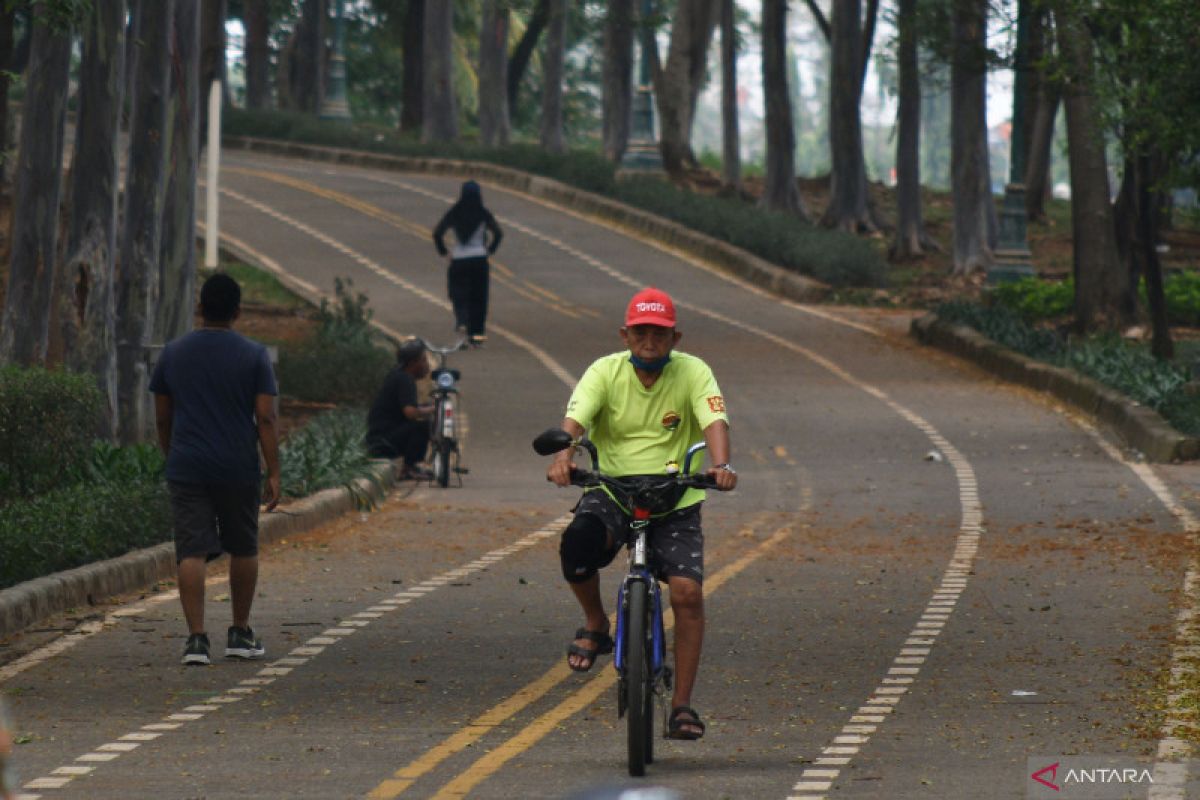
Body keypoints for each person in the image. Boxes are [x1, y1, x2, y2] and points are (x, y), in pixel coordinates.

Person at [546, 287, 737, 741]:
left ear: (675, 337)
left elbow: (714, 420)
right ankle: (596, 624)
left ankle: (682, 706)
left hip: (676, 496)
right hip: (613, 491)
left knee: (687, 593)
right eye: (641, 330)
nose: (649, 338)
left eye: (659, 331)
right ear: (625, 334)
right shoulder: (603, 372)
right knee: (577, 545)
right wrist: (562, 456)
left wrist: (721, 465)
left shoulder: (694, 372)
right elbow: (573, 422)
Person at [150, 272, 281, 666]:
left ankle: (196, 640)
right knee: (243, 545)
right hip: (238, 465)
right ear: (238, 312)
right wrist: (273, 470)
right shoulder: (255, 355)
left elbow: (162, 415)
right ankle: (240, 632)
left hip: (188, 464)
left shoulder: (173, 353)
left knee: (191, 550)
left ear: (200, 308)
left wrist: (173, 452)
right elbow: (266, 417)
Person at [432, 180, 503, 346]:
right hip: (479, 259)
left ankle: (462, 321)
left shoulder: (454, 212)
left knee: (458, 293)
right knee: (479, 297)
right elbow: (498, 234)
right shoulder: (483, 213)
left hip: (459, 260)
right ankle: (477, 336)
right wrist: (489, 250)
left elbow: (437, 233)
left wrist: (444, 251)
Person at [366, 338, 434, 479]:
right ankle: (409, 468)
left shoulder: (397, 375)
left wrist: (425, 407)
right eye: (423, 360)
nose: (427, 365)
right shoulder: (405, 380)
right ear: (412, 363)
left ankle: (410, 467)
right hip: (383, 442)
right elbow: (410, 412)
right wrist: (434, 409)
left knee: (421, 418)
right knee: (422, 426)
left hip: (378, 438)